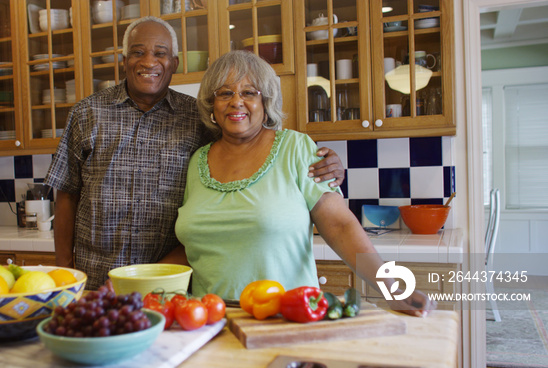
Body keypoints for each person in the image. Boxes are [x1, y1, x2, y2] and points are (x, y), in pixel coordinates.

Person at [45, 17, 345, 290]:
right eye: (138, 52)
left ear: (175, 62)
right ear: (124, 61)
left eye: (160, 53)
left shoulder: (196, 118)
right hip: (95, 275)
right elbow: (67, 193)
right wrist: (64, 270)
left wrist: (325, 163)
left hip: (170, 283)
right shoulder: (87, 112)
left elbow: (248, 142)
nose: (149, 61)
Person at [172, 50, 436, 317]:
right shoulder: (197, 161)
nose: (236, 102)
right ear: (211, 105)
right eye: (224, 93)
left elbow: (340, 226)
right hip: (209, 319)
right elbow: (194, 244)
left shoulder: (296, 148)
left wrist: (391, 288)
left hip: (287, 316)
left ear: (266, 103)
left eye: (249, 93)